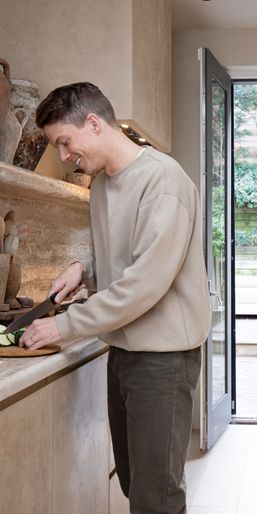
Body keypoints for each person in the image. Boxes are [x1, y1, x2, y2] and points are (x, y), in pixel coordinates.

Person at [20, 82, 210, 514]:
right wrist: (82, 269)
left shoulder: (164, 181)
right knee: (133, 481)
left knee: (156, 496)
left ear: (93, 122)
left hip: (163, 359)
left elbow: (143, 283)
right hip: (123, 352)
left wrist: (63, 324)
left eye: (64, 142)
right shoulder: (104, 185)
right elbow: (123, 252)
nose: (64, 156)